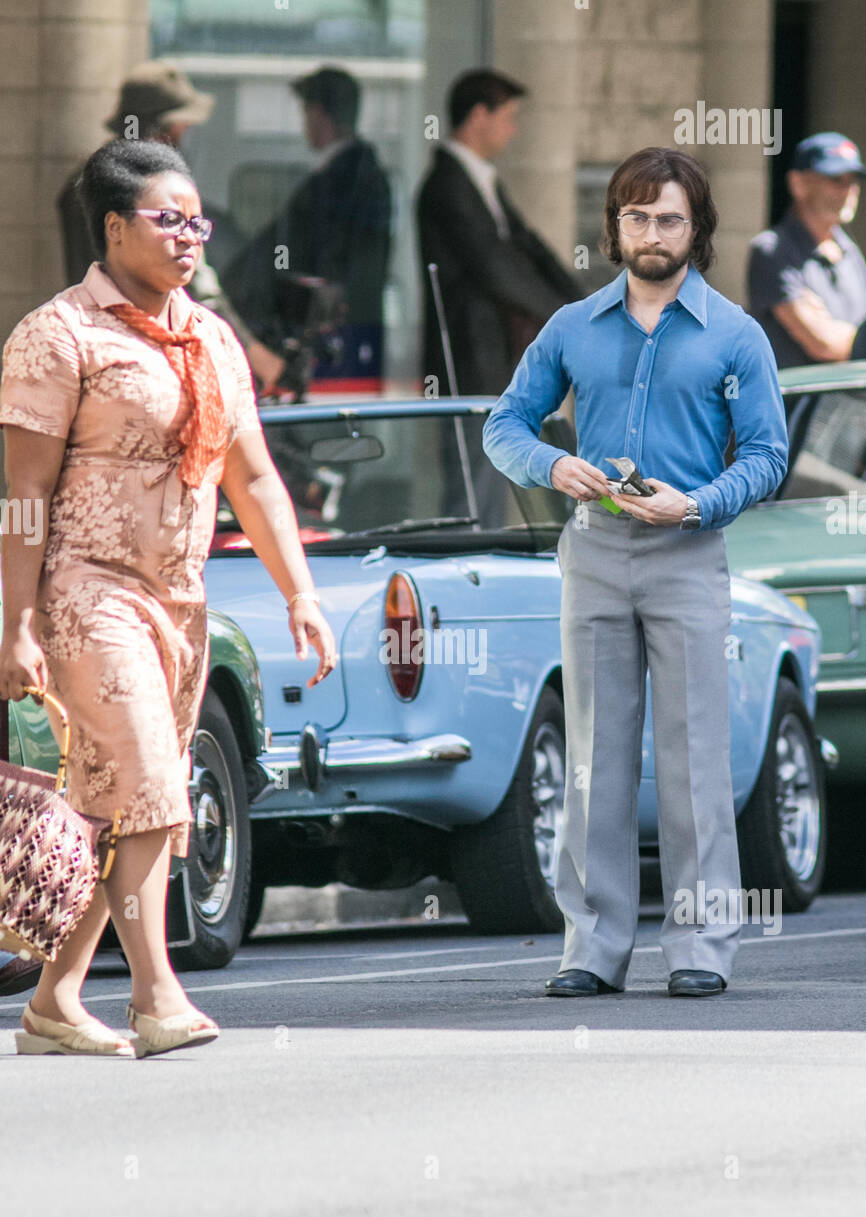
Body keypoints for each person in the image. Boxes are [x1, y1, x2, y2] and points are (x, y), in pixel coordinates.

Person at [0, 139, 337, 1054]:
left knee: (119, 801)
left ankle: (54, 1003)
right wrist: (17, 623)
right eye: (168, 218)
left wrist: (299, 592)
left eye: (199, 220)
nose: (190, 235)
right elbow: (22, 498)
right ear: (113, 228)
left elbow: (256, 480)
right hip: (86, 591)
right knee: (149, 778)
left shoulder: (212, 337)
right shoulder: (57, 333)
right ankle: (156, 993)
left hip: (179, 604)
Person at [483, 147, 788, 999]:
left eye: (668, 218)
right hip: (594, 551)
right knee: (594, 757)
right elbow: (505, 421)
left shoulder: (735, 334)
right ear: (614, 226)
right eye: (636, 217)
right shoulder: (573, 326)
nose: (651, 233)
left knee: (694, 756)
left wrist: (692, 504)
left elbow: (768, 456)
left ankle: (699, 948)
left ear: (697, 230)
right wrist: (552, 466)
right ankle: (593, 945)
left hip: (688, 553)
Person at [57, 59, 287, 393]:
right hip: (148, 355)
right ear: (163, 130)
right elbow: (200, 287)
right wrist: (255, 354)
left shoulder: (81, 181)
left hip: (91, 347)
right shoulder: (156, 192)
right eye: (182, 126)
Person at [416, 68, 580, 522]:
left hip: (495, 357)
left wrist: (582, 304)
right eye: (506, 117)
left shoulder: (482, 180)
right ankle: (464, 574)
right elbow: (494, 266)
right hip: (468, 360)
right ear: (478, 116)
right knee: (473, 484)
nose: (513, 128)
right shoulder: (447, 185)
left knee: (494, 475)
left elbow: (527, 245)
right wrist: (563, 314)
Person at [224, 66, 392, 390]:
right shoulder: (358, 174)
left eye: (306, 111)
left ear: (318, 113)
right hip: (345, 332)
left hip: (333, 336)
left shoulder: (345, 179)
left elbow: (326, 261)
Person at [748, 132, 866, 368]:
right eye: (835, 179)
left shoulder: (849, 251)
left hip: (849, 400)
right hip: (801, 402)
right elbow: (824, 343)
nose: (848, 191)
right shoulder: (773, 250)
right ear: (798, 183)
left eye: (853, 180)